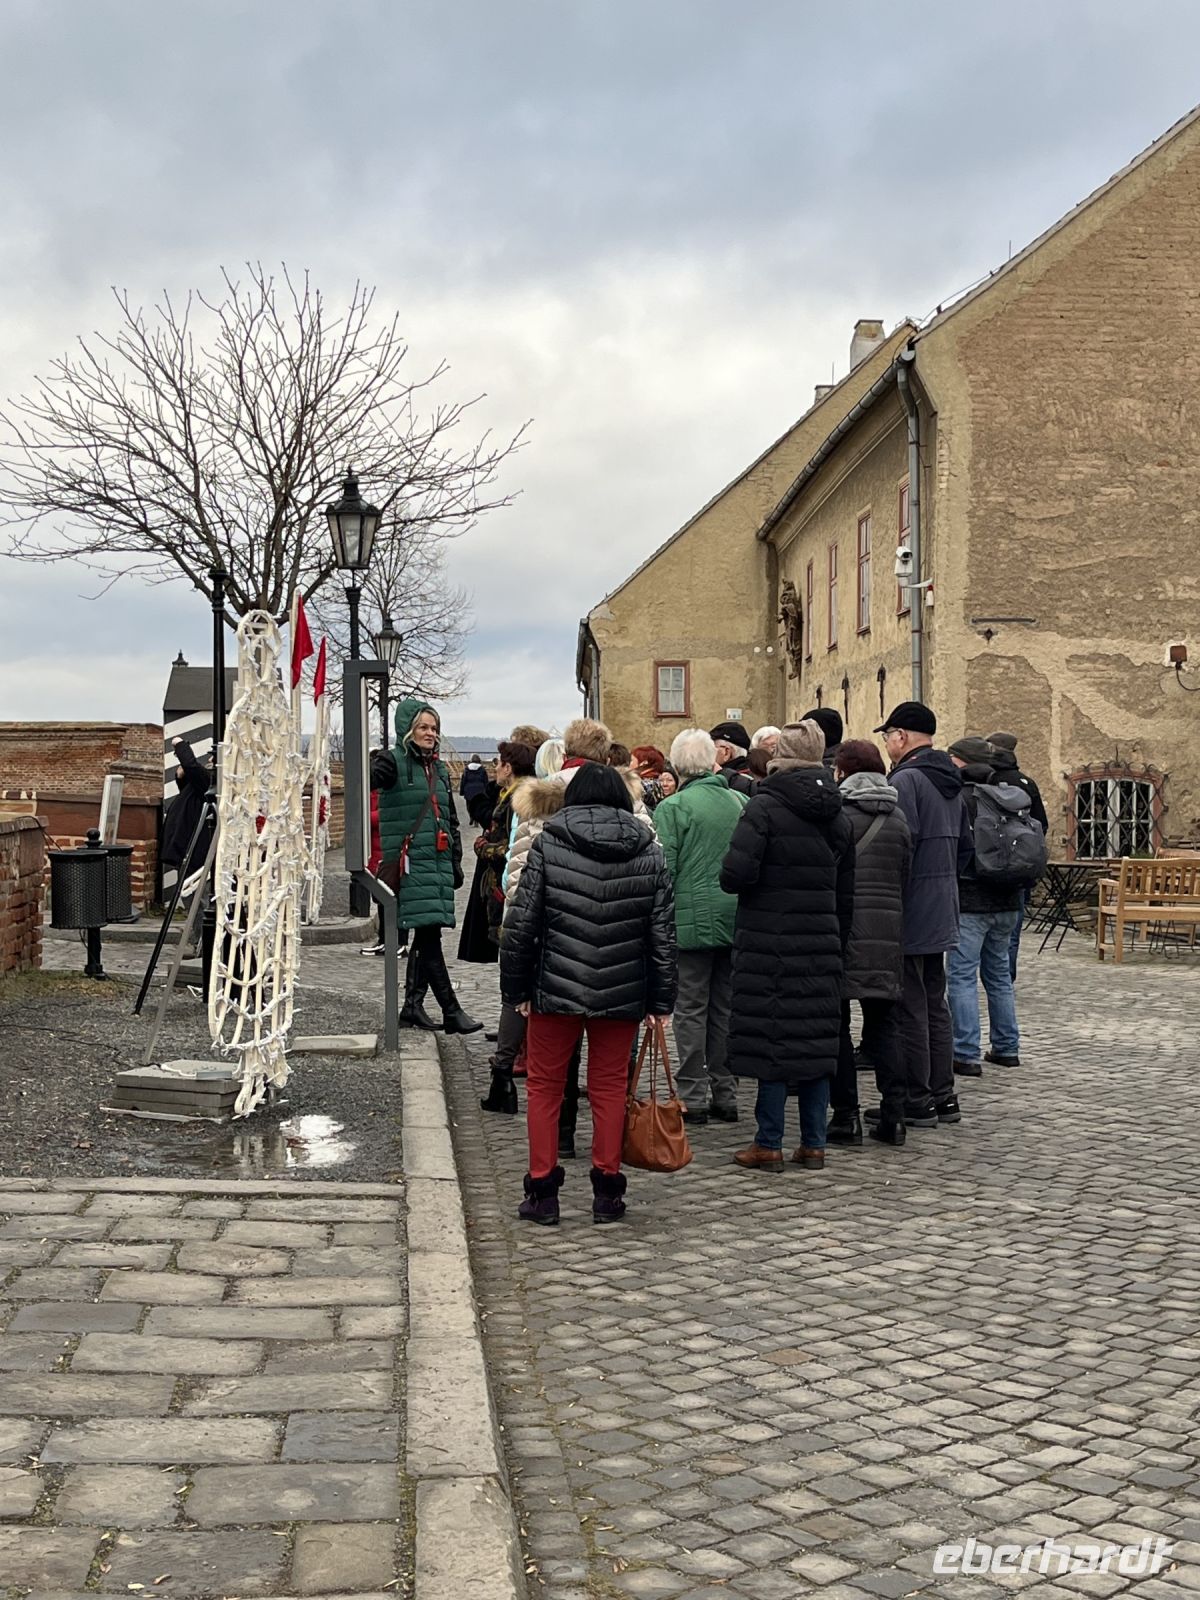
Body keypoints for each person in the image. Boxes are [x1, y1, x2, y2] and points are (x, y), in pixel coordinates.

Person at [501, 762, 677, 1226]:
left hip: (554, 984)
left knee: (543, 1087)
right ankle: (607, 1191)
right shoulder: (649, 851)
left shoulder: (549, 843)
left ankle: (542, 1191)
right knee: (608, 1088)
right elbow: (662, 936)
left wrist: (516, 989)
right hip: (621, 989)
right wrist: (661, 1002)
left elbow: (522, 924)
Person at [720, 721, 854, 1172]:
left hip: (768, 940)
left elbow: (734, 876)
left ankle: (769, 1141)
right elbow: (847, 890)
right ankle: (814, 1143)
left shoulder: (765, 808)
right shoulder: (837, 813)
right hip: (821, 939)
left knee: (772, 1041)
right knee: (815, 1042)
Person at [876, 701, 969, 1132]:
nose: (888, 744)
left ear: (901, 736)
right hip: (943, 902)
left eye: (888, 736)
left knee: (912, 1005)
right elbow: (966, 850)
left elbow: (900, 844)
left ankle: (918, 1097)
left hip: (913, 905)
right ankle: (943, 1094)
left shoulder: (908, 779)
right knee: (935, 1003)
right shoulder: (952, 779)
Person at [655, 729, 748, 1126]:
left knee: (691, 1009)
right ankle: (725, 1090)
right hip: (735, 917)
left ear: (677, 766)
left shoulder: (673, 808)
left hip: (690, 921)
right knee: (725, 1008)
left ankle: (692, 1093)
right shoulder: (741, 801)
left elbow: (665, 873)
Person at [373, 698, 481, 1034]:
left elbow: (449, 818)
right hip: (410, 865)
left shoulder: (437, 770)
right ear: (408, 729)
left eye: (434, 728)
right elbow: (367, 780)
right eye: (423, 727)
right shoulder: (392, 763)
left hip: (435, 862)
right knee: (429, 934)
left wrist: (455, 861)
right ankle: (450, 1009)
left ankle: (412, 1006)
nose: (430, 733)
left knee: (426, 933)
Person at [829, 740, 912, 1147]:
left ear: (843, 774)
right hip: (888, 934)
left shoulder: (839, 818)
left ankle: (845, 1117)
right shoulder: (898, 819)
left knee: (839, 1027)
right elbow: (905, 879)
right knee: (885, 1026)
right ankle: (894, 1115)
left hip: (844, 933)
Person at [946, 737, 1024, 1077]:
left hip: (971, 900)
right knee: (998, 976)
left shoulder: (962, 799)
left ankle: (965, 1052)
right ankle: (1007, 1047)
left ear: (962, 763)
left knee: (961, 977)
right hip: (1008, 898)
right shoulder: (1009, 796)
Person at [474, 741, 538, 1113]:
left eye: (499, 763)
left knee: (514, 983)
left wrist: (484, 846)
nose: (495, 768)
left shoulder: (521, 800)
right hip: (506, 894)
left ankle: (509, 1064)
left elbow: (512, 849)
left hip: (508, 897)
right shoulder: (510, 793)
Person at [986, 731, 1049, 982]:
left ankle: (983, 977)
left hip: (987, 864)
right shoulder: (1026, 783)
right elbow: (1041, 824)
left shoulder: (985, 782)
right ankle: (1005, 978)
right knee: (1010, 932)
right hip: (1018, 868)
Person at [709, 720, 755, 797]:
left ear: (726, 752)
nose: (707, 753)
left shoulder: (725, 783)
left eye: (711, 748)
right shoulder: (754, 772)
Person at [459, 753, 493, 827]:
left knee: (469, 805)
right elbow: (485, 781)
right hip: (480, 790)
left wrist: (461, 791)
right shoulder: (482, 769)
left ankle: (471, 816)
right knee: (479, 806)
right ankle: (476, 820)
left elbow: (463, 781)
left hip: (468, 791)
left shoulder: (466, 769)